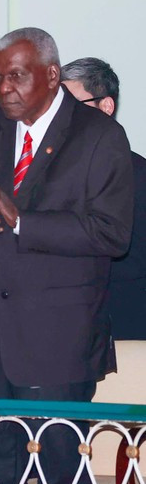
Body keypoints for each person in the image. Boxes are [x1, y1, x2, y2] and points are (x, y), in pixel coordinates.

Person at [0, 28, 133, 484]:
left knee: (60, 480)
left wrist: (24, 222)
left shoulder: (99, 135)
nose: (4, 88)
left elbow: (112, 233)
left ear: (51, 76)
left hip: (60, 344)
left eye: (17, 77)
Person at [62, 57, 146, 341]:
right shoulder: (48, 174)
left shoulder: (139, 174)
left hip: (125, 327)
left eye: (72, 107)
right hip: (62, 325)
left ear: (105, 107)